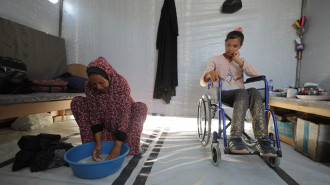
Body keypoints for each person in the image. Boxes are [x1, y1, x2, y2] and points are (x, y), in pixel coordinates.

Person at [200, 28, 276, 157]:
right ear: (225, 43)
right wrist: (210, 74)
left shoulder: (239, 62)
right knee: (242, 92)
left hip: (241, 96)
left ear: (240, 46)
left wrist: (239, 62)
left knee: (254, 92)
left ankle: (262, 139)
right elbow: (203, 81)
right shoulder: (215, 59)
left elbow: (256, 74)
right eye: (228, 45)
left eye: (235, 46)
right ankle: (235, 137)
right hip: (223, 94)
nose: (230, 48)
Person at [71, 56, 148, 161]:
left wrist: (117, 146)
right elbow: (94, 115)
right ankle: (93, 146)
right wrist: (98, 143)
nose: (97, 87)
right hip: (105, 128)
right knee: (77, 102)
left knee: (141, 107)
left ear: (109, 76)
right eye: (94, 83)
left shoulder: (120, 83)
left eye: (101, 83)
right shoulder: (89, 86)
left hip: (123, 129)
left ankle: (129, 146)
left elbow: (125, 115)